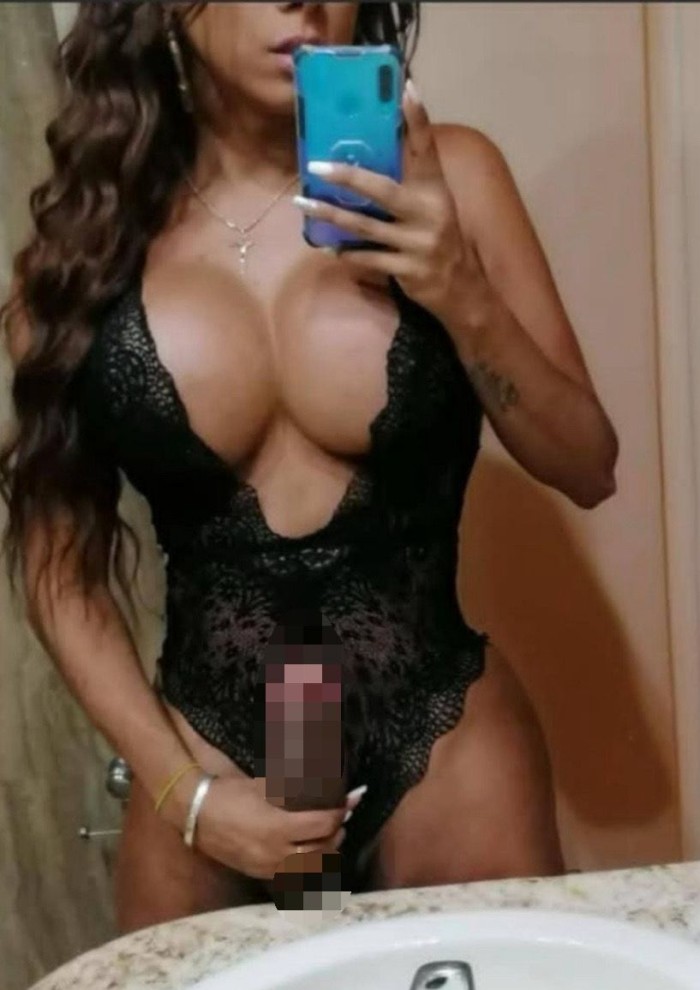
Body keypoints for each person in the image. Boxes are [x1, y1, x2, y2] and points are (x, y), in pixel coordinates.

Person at [0, 1, 618, 933]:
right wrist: (184, 795)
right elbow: (60, 570)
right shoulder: (87, 246)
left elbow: (587, 465)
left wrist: (461, 292)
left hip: (443, 745)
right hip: (211, 763)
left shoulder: (451, 177)